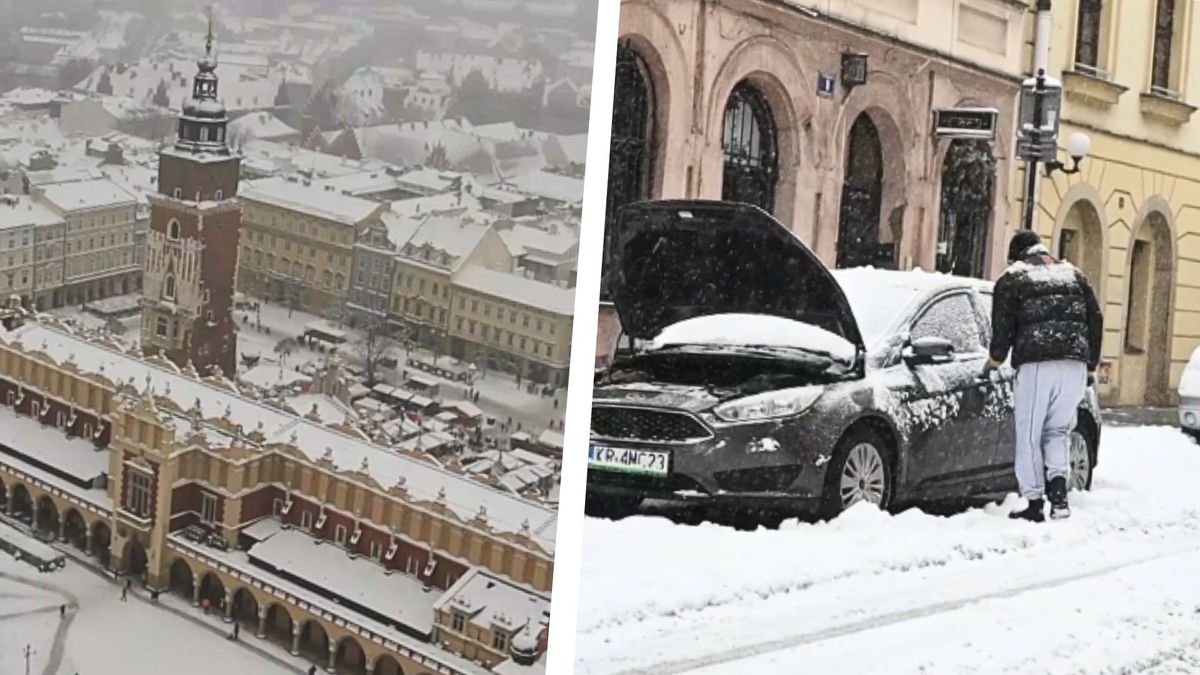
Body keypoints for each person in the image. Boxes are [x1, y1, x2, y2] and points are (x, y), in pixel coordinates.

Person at [983, 230, 1103, 522]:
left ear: (1016, 254)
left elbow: (1003, 325)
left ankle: (1034, 502)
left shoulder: (1014, 278)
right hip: (1074, 363)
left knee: (1029, 434)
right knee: (1058, 431)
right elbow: (1095, 318)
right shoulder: (1073, 275)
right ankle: (1059, 497)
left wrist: (995, 359)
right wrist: (1090, 364)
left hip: (1038, 362)